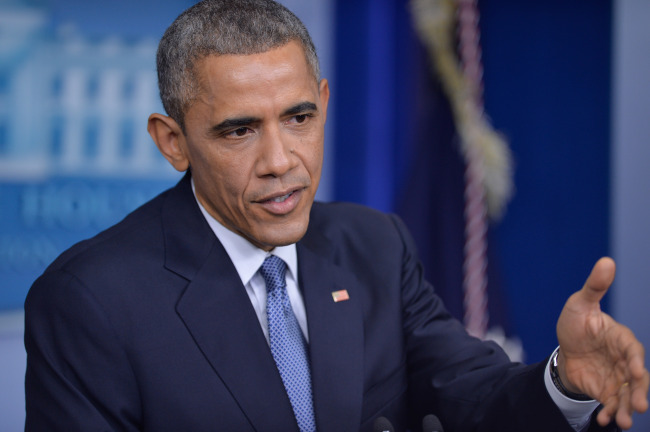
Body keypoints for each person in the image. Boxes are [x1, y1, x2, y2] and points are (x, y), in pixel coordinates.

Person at [24, 1, 649, 431]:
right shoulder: (89, 301)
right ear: (173, 141)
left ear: (323, 102)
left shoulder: (374, 245)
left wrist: (564, 380)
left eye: (298, 118)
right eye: (239, 131)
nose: (280, 161)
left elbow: (476, 400)